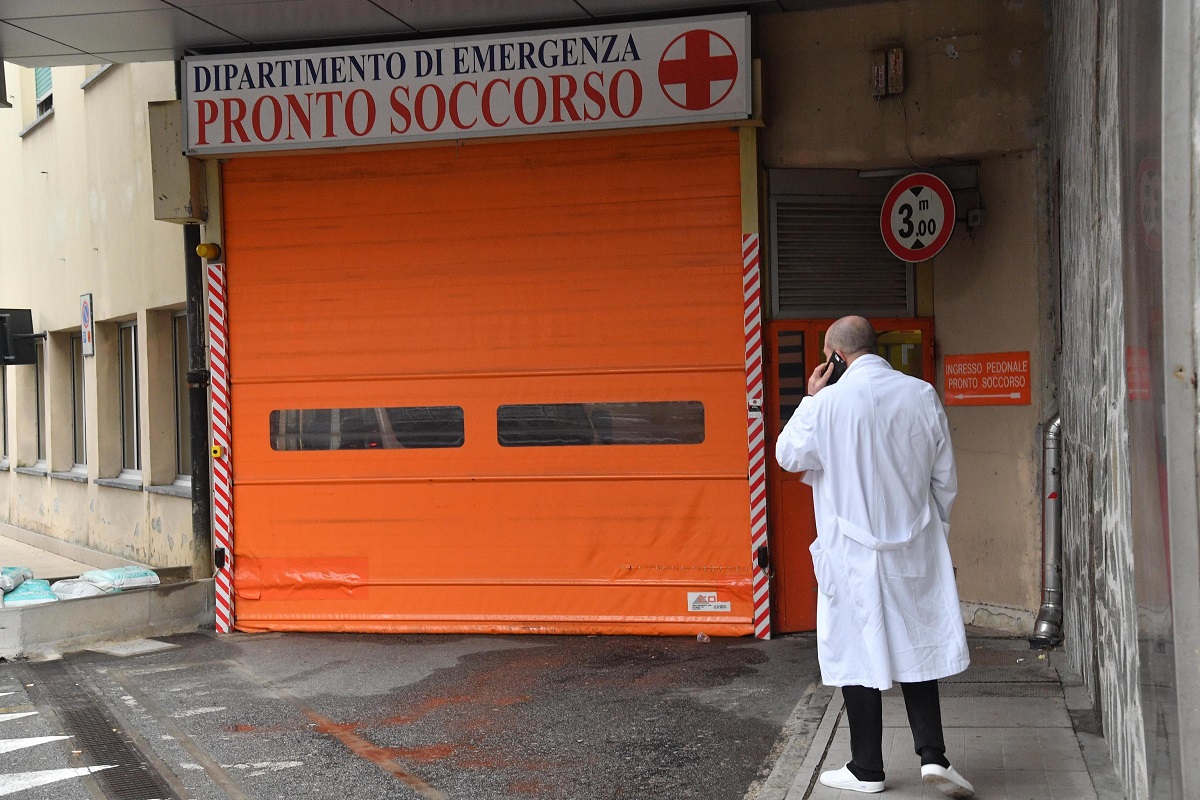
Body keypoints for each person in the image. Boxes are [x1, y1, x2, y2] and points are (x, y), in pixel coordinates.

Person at [775, 316, 974, 798]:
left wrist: (811, 397)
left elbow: (788, 454)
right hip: (913, 547)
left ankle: (867, 768)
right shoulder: (921, 394)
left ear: (834, 357)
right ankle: (933, 757)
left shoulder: (828, 405)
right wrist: (932, 530)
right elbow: (945, 478)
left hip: (851, 553)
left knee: (857, 651)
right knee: (916, 645)